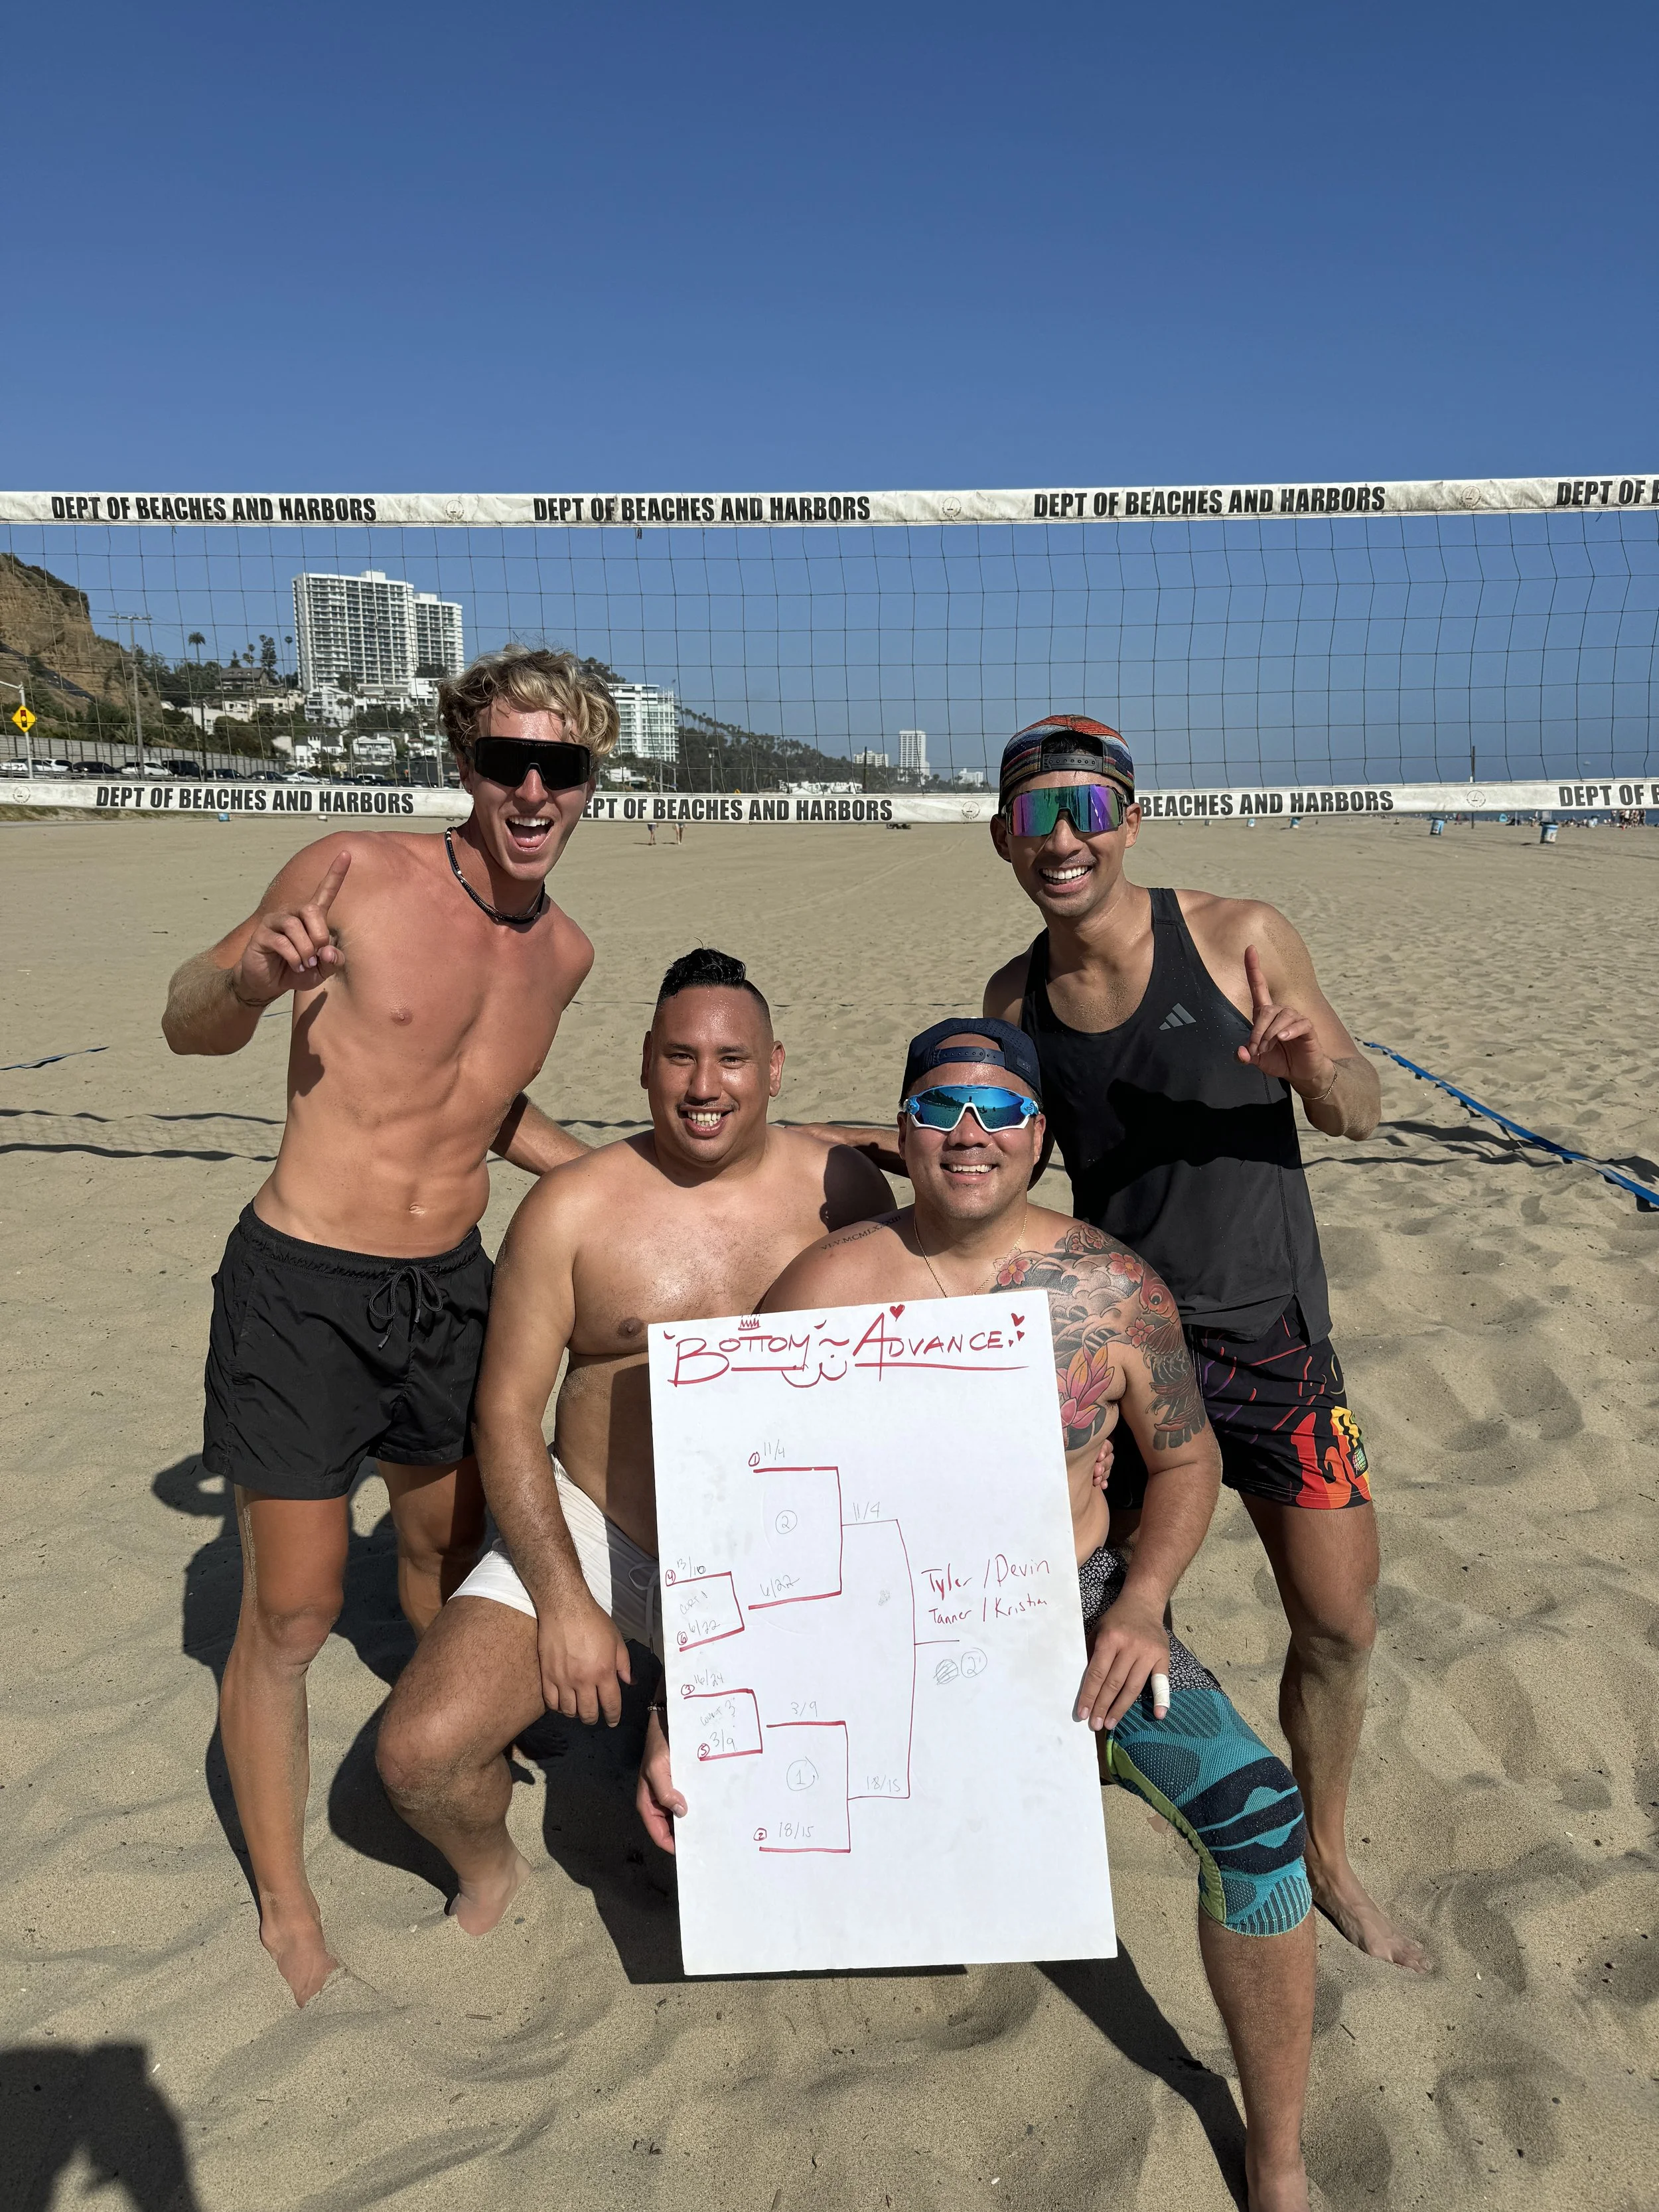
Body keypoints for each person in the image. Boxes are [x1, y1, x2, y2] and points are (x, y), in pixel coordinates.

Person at [640, 1023, 1317, 2212]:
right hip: (859, 1616)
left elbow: (1189, 1460)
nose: (969, 1131)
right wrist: (677, 1702)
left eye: (1000, 1109)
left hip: (1071, 1610)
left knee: (1258, 1821)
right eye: (941, 1105)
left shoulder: (1109, 1289)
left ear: (1040, 1139)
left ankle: (1276, 2154)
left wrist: (1146, 1603)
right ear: (904, 1133)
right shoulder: (826, 1284)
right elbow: (734, 1501)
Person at [161, 644, 616, 2005]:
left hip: (449, 1286)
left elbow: (481, 1103)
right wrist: (250, 976)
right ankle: (288, 1906)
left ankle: (440, 1740)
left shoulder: (570, 950)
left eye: (560, 765)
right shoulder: (350, 868)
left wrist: (608, 1176)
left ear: (593, 776)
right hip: (302, 1285)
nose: (531, 787)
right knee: (293, 1613)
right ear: (461, 765)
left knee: (443, 1547)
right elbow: (186, 1024)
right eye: (504, 760)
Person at [976, 713, 1423, 1972]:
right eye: (1036, 814)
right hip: (1125, 1357)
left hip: (1273, 1342)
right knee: (1079, 1618)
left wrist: (1311, 1071)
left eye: (1087, 810)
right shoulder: (1015, 997)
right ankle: (1052, 1840)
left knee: (1337, 1625)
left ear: (1129, 819)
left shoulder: (1240, 936)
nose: (1064, 838)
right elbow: (1008, 1166)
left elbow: (1363, 1114)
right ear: (1002, 837)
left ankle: (1326, 1857)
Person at [374, 949, 894, 1935]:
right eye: (681, 1058)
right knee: (421, 1758)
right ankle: (492, 1878)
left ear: (775, 1068)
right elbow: (506, 1417)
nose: (706, 1086)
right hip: (606, 1531)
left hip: (782, 1549)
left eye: (732, 1059)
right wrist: (565, 1598)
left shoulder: (845, 1188)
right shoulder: (573, 1208)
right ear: (645, 1066)